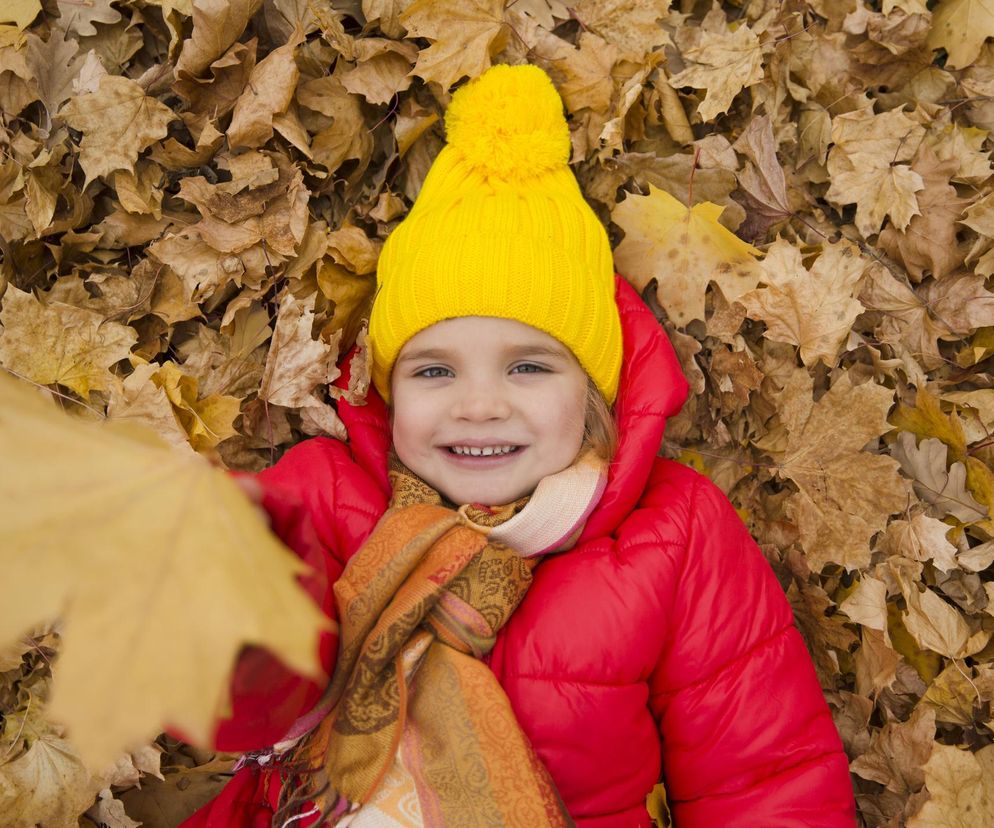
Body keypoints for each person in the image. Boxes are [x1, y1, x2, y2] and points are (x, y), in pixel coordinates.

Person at [183, 64, 856, 827]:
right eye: (434, 370)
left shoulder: (672, 535)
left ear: (594, 394)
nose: (479, 405)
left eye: (528, 367)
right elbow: (245, 714)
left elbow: (764, 777)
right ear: (390, 394)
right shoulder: (328, 501)